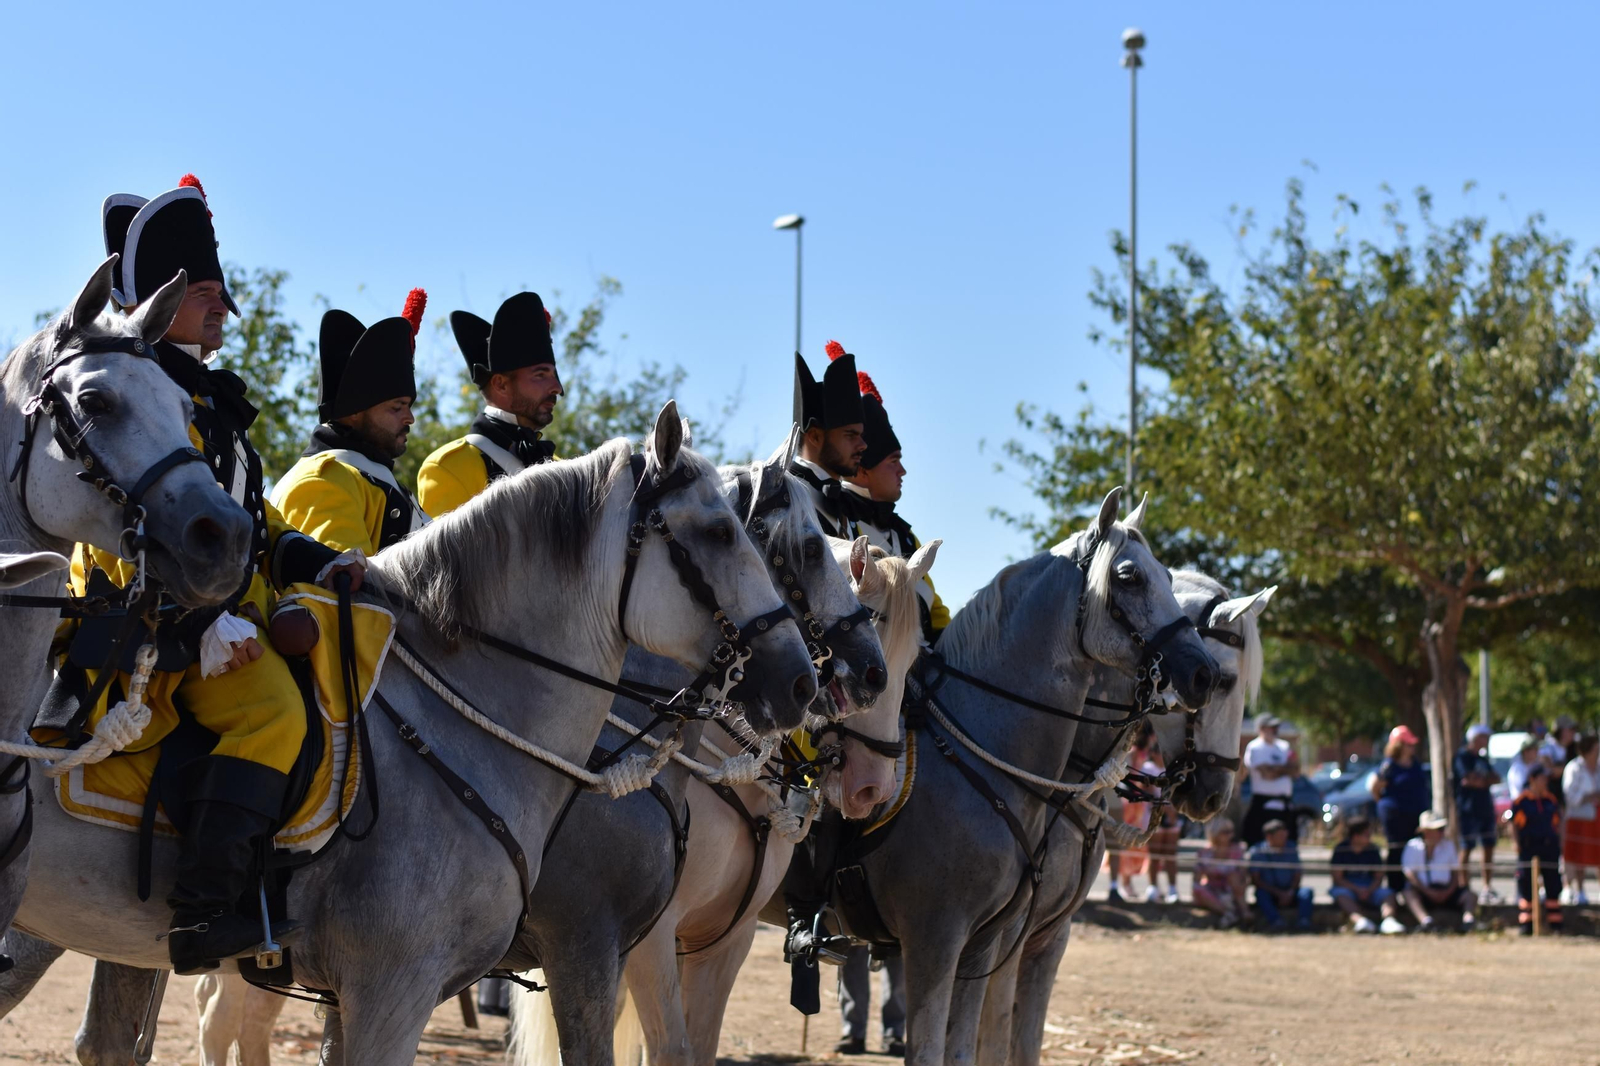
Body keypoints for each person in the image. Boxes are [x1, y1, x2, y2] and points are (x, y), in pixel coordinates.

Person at [81, 176, 359, 973]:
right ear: (161, 306)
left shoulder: (214, 406)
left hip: (242, 614)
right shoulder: (142, 395)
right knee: (274, 712)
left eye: (222, 293)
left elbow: (258, 527)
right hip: (157, 627)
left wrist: (326, 562)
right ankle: (206, 912)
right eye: (206, 294)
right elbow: (109, 531)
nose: (224, 308)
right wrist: (198, 626)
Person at [272, 293, 430, 554]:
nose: (409, 418)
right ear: (354, 411)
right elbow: (345, 591)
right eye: (397, 407)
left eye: (409, 406)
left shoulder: (365, 478)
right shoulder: (320, 482)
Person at [416, 292, 562, 517]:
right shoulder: (450, 468)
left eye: (554, 375)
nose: (557, 388)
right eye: (541, 375)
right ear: (501, 385)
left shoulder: (560, 467)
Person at [835, 364, 947, 644]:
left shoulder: (906, 537)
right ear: (862, 471)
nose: (903, 471)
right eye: (893, 461)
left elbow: (938, 619)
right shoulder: (836, 520)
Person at [789, 342, 866, 537]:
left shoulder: (847, 506)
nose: (863, 445)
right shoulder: (783, 494)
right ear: (815, 436)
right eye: (850, 435)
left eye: (861, 435)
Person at [1371, 725, 1431, 893]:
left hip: (1415, 814)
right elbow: (1375, 788)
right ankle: (1395, 888)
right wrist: (1384, 806)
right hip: (1396, 817)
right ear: (1399, 745)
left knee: (1415, 849)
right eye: (1408, 744)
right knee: (1396, 850)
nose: (1412, 747)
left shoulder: (1415, 763)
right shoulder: (1388, 765)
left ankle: (1413, 887)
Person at [1401, 811, 1477, 932]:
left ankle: (1468, 921)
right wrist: (1428, 892)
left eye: (1442, 828)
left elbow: (1455, 873)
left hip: (1446, 890)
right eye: (1438, 829)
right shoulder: (1412, 846)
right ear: (1426, 831)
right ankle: (1426, 922)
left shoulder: (1449, 845)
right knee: (1408, 893)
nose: (1442, 832)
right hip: (1423, 891)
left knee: (1470, 896)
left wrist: (1448, 891)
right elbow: (1410, 874)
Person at [1510, 765, 1563, 934]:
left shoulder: (1551, 800)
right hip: (1528, 846)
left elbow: (1558, 822)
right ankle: (1527, 924)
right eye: (1542, 778)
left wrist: (1561, 842)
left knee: (1553, 883)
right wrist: (1515, 842)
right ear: (1532, 779)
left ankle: (1555, 925)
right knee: (1525, 883)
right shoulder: (1521, 801)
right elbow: (1513, 825)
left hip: (1549, 846)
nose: (1545, 781)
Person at [1453, 723, 1502, 903]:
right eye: (1483, 737)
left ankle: (1487, 887)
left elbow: (1496, 778)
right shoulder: (1462, 756)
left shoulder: (1483, 758)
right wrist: (1482, 780)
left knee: (1488, 846)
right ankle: (1463, 885)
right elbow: (1467, 779)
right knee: (1466, 847)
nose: (1486, 741)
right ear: (1474, 738)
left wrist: (1482, 780)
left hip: (1485, 808)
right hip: (1468, 809)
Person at [1329, 816, 1403, 934]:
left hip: (1370, 887)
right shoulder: (1341, 849)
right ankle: (1361, 922)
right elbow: (1338, 879)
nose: (1370, 836)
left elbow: (1379, 877)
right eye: (1367, 834)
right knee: (1340, 893)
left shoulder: (1373, 849)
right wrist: (1357, 890)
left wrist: (1369, 890)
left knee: (1388, 893)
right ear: (1356, 836)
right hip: (1348, 888)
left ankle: (1388, 920)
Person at [1241, 714, 1298, 846]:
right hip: (1263, 804)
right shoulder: (1255, 747)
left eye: (1276, 726)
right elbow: (1267, 774)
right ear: (1261, 728)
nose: (1275, 730)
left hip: (1285, 804)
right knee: (1259, 844)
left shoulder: (1284, 746)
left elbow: (1295, 770)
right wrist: (1285, 769)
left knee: (1288, 844)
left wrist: (1275, 769)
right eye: (1271, 727)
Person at [1247, 819, 1313, 932]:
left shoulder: (1291, 848)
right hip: (1270, 892)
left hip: (1289, 891)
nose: (1284, 838)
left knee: (1306, 892)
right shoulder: (1257, 851)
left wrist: (1290, 891)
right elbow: (1256, 880)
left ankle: (1304, 922)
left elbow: (1297, 873)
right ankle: (1276, 921)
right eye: (1280, 836)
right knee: (1260, 894)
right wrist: (1278, 893)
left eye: (1285, 835)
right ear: (1269, 837)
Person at [1561, 735, 1600, 906]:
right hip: (1579, 817)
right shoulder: (1574, 768)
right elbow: (1570, 795)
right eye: (1595, 749)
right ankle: (1578, 890)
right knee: (1577, 856)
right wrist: (1589, 797)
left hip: (1597, 817)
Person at [1192, 819, 1250, 928]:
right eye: (1225, 832)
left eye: (1231, 831)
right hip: (1212, 890)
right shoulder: (1204, 852)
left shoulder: (1237, 850)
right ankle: (1229, 914)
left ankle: (1239, 913)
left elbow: (1244, 876)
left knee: (1233, 877)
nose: (1230, 835)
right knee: (1197, 888)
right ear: (1215, 833)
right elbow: (1197, 879)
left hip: (1233, 891)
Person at [1142, 747, 1181, 904]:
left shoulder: (1174, 770)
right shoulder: (1148, 768)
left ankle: (1173, 888)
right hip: (1153, 816)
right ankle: (1153, 887)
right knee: (1155, 854)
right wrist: (1165, 809)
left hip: (1172, 817)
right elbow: (1150, 792)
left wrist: (1173, 813)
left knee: (1170, 854)